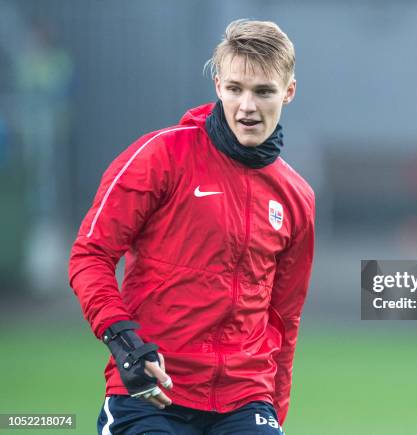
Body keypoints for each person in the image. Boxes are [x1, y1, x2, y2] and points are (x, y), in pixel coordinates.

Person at [68, 19, 315, 435]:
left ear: (288, 92)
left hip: (245, 399)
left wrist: (273, 412)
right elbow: (90, 255)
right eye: (235, 89)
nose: (247, 106)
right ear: (218, 86)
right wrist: (125, 343)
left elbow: (283, 319)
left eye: (263, 91)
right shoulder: (160, 156)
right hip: (151, 392)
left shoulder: (297, 197)